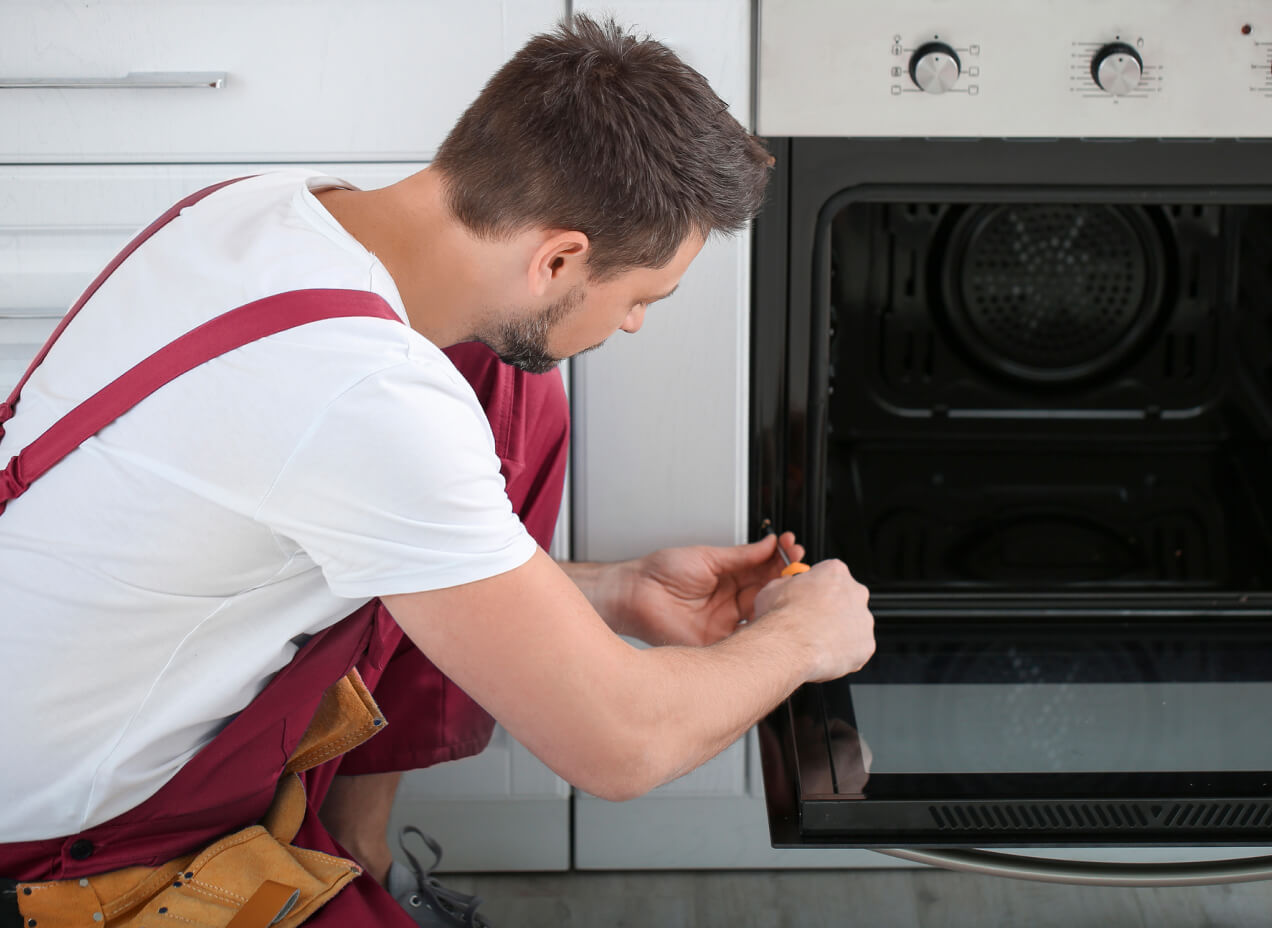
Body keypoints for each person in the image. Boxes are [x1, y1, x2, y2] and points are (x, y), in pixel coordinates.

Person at [0, 14, 875, 927]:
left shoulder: (266, 209)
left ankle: (357, 847)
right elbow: (621, 743)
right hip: (68, 837)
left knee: (501, 375)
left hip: (55, 686)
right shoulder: (367, 399)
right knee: (500, 378)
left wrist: (615, 591)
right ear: (561, 258)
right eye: (641, 297)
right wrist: (801, 640)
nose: (632, 326)